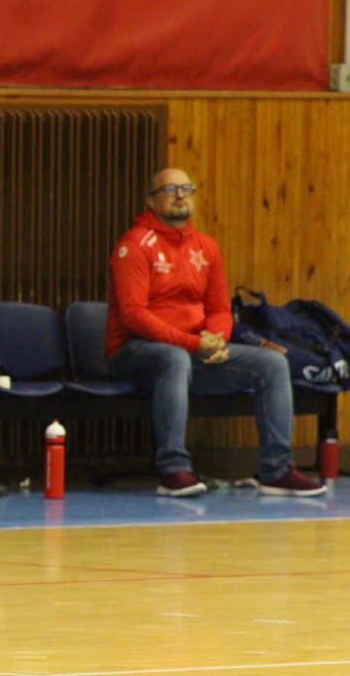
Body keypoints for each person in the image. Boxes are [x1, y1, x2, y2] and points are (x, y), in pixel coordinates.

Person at [106, 167, 327, 498]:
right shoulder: (134, 245)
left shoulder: (206, 247)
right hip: (135, 351)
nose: (180, 195)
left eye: (186, 188)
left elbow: (220, 309)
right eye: (170, 189)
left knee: (272, 364)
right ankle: (173, 470)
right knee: (174, 359)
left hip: (194, 351)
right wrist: (195, 344)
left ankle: (277, 471)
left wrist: (216, 340)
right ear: (150, 201)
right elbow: (134, 315)